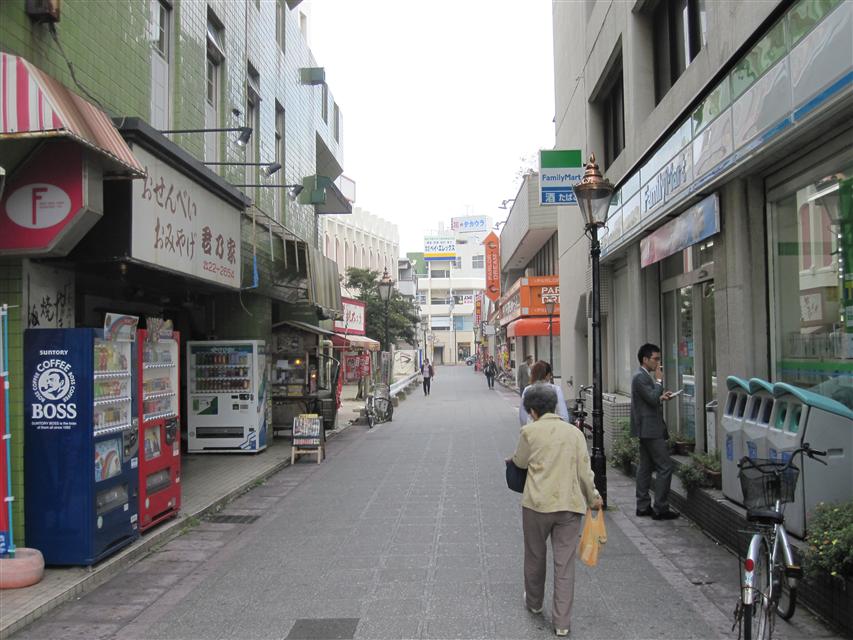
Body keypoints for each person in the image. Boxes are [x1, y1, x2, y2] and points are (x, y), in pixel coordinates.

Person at [510, 384, 602, 637]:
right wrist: (593, 497)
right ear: (554, 406)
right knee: (564, 564)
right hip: (569, 506)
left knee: (535, 555)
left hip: (537, 505)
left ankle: (534, 603)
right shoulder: (574, 434)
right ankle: (562, 623)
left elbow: (520, 462)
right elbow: (584, 472)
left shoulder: (529, 432)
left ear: (532, 411)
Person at [631, 343, 679, 520]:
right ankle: (660, 507)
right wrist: (659, 381)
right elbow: (651, 399)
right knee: (665, 466)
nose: (658, 363)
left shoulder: (642, 376)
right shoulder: (640, 377)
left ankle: (643, 506)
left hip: (646, 428)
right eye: (655, 359)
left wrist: (661, 397)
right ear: (645, 359)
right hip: (650, 429)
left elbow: (650, 399)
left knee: (645, 466)